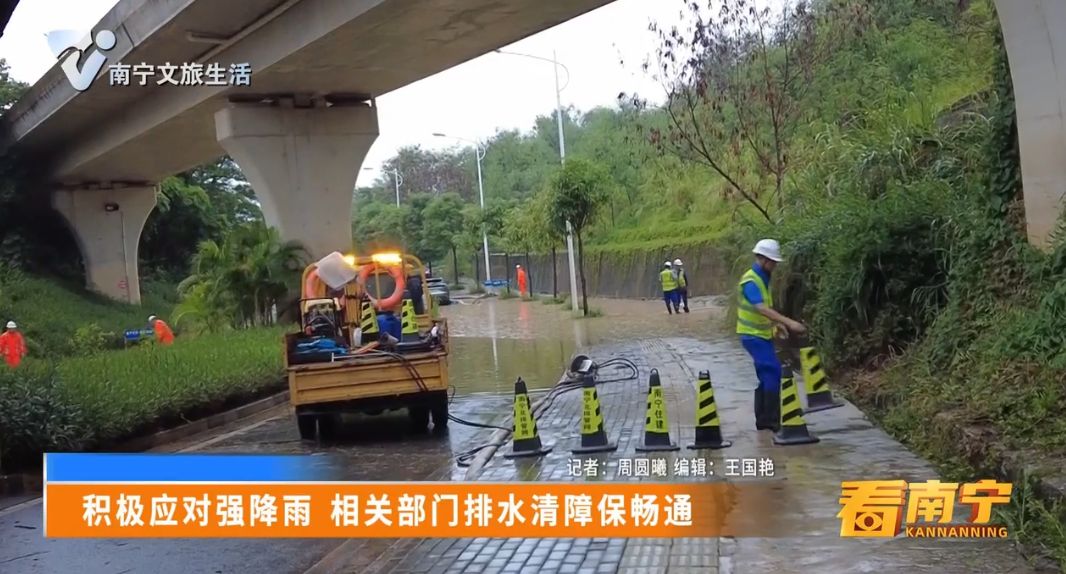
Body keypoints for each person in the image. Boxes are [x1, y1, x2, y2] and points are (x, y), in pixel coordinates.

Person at [737, 239, 806, 431]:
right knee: (773, 372)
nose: (775, 266)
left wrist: (776, 324)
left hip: (760, 334)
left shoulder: (762, 277)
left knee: (767, 374)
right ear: (763, 259)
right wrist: (789, 322)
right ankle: (772, 420)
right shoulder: (751, 280)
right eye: (773, 262)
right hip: (752, 336)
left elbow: (766, 309)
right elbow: (761, 308)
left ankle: (764, 420)